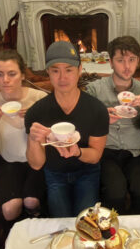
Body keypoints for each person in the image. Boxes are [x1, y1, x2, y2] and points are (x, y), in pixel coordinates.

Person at [25, 41, 109, 217]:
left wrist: (77, 152)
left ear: (79, 70)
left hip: (87, 172)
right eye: (55, 70)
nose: (62, 77)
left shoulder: (96, 109)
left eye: (69, 70)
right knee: (60, 221)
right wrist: (34, 140)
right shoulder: (36, 112)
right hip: (54, 173)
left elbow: (95, 157)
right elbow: (36, 164)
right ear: (48, 72)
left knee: (85, 221)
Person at [0, 49, 47, 222]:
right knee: (10, 209)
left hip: (40, 159)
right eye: (0, 74)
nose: (5, 80)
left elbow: (57, 135)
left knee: (31, 201)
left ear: (22, 75)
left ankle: (35, 223)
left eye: (12, 74)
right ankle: (14, 237)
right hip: (9, 161)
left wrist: (36, 117)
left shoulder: (40, 99)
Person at [86, 36, 140, 213]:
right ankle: (113, 232)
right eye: (120, 60)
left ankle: (136, 233)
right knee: (115, 192)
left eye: (132, 60)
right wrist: (103, 118)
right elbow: (86, 126)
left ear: (138, 61)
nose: (127, 67)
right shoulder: (95, 90)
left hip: (134, 153)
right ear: (111, 62)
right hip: (106, 151)